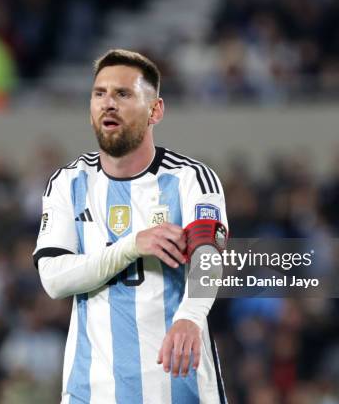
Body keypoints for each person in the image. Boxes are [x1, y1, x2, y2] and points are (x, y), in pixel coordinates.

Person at [33, 49, 228, 403]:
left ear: (155, 110)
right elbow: (54, 278)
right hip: (92, 391)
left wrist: (189, 317)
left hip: (178, 386)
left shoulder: (190, 178)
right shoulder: (68, 182)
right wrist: (132, 245)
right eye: (99, 93)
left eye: (123, 94)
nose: (108, 103)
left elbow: (210, 258)